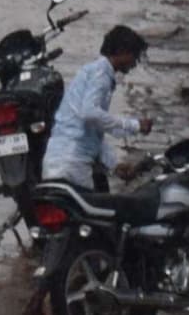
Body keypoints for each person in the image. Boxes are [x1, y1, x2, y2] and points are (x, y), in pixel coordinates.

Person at [44, 25, 151, 193]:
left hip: (58, 159)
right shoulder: (101, 75)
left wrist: (114, 164)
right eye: (134, 56)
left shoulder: (93, 72)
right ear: (122, 51)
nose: (135, 63)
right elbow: (90, 114)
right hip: (74, 163)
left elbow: (92, 130)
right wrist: (134, 125)